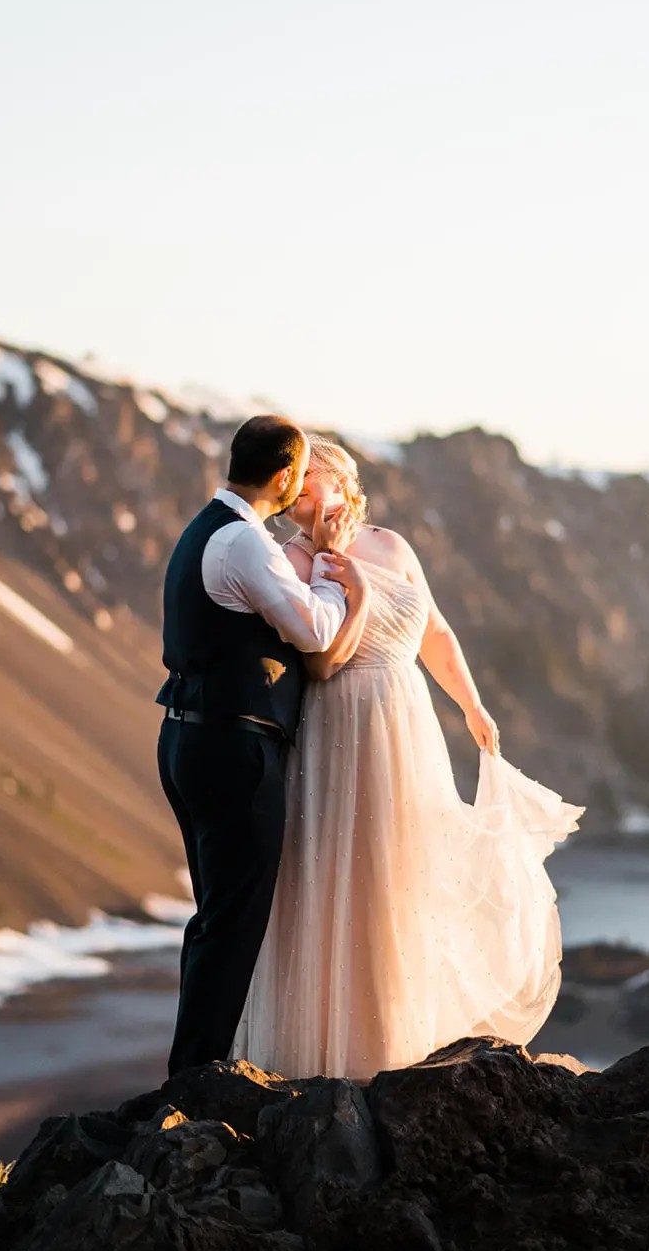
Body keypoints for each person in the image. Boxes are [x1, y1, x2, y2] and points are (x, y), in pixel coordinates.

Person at [231, 435, 584, 1080]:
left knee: (403, 875)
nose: (301, 488)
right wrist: (330, 560)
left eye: (313, 476)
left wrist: (472, 706)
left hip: (405, 721)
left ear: (342, 481)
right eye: (295, 481)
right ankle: (329, 1055)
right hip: (338, 725)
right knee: (340, 875)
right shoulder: (290, 558)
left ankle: (398, 1041)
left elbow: (435, 631)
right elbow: (319, 655)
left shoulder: (393, 547)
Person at [156, 415, 355, 1075]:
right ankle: (197, 1084)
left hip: (188, 739)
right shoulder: (245, 543)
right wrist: (329, 568)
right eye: (299, 476)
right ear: (283, 477)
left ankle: (188, 1074)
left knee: (215, 919)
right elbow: (316, 631)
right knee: (233, 924)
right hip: (229, 750)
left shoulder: (206, 528)